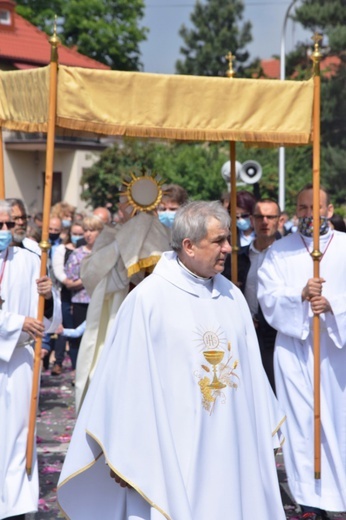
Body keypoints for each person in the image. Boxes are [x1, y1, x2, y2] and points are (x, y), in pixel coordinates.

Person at [58, 201, 286, 520]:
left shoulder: (232, 297)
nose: (228, 248)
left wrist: (263, 427)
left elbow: (251, 376)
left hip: (232, 444)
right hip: (174, 448)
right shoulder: (149, 300)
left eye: (228, 239)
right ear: (189, 246)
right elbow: (126, 382)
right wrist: (124, 451)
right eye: (219, 240)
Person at [258, 184, 346, 519]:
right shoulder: (279, 252)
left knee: (338, 422)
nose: (308, 214)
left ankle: (339, 493)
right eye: (302, 207)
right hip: (295, 351)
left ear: (329, 209)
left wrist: (334, 305)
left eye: (315, 207)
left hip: (338, 353)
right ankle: (310, 500)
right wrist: (299, 295)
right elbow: (267, 298)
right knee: (301, 425)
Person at [74, 210, 171, 411]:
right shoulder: (110, 236)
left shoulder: (167, 235)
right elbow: (92, 276)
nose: (140, 216)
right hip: (118, 314)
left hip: (156, 318)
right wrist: (120, 246)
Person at [0, 200, 61, 519]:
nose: (6, 232)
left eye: (10, 225)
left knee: (18, 431)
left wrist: (49, 297)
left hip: (20, 359)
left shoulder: (31, 259)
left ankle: (17, 506)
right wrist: (14, 322)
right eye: (0, 226)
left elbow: (48, 320)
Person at [241, 198, 282, 393]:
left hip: (277, 336)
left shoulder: (288, 256)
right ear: (251, 219)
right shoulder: (238, 257)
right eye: (259, 216)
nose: (264, 221)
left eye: (270, 217)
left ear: (280, 220)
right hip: (247, 332)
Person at [64, 215, 104, 374]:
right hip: (81, 301)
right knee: (79, 339)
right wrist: (88, 278)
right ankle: (77, 371)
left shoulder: (106, 253)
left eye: (92, 230)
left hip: (101, 300)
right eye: (85, 230)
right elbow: (69, 281)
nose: (88, 234)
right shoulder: (77, 254)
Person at [50, 220, 85, 376]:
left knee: (80, 333)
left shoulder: (88, 250)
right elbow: (58, 271)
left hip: (83, 295)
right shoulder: (62, 250)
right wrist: (69, 282)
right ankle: (63, 363)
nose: (77, 237)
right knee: (66, 331)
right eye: (75, 233)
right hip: (65, 294)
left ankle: (79, 368)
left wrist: (81, 282)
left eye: (81, 234)